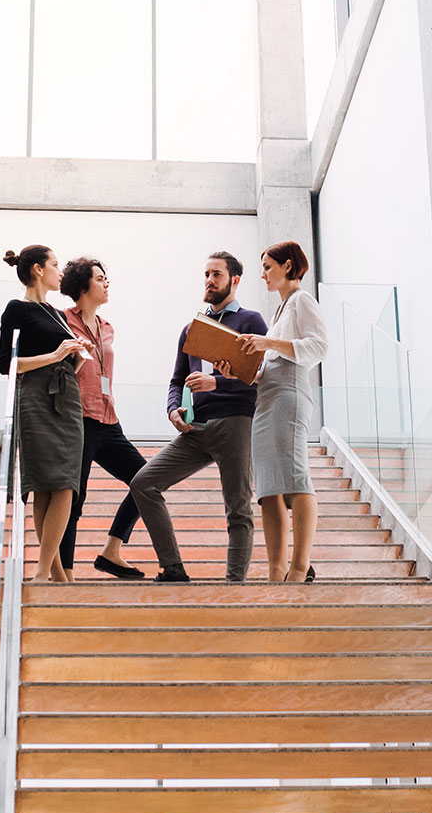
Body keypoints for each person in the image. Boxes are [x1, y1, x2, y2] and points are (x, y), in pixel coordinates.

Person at [129, 252, 269, 583]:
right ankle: (173, 567)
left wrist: (217, 381)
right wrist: (172, 408)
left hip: (236, 421)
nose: (209, 280)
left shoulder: (251, 321)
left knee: (238, 509)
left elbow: (260, 374)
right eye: (206, 274)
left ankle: (234, 585)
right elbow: (177, 380)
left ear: (234, 280)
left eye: (217, 274)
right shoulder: (191, 329)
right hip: (195, 427)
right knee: (143, 484)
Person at [0, 245, 91, 583]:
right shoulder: (16, 308)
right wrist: (55, 355)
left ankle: (51, 573)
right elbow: (6, 364)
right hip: (35, 395)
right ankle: (45, 572)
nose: (59, 271)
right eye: (54, 264)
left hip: (67, 396)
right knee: (44, 485)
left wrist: (77, 354)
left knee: (65, 483)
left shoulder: (57, 313)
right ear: (38, 269)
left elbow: (65, 359)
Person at [239, 240, 328, 583]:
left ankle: (300, 565)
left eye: (267, 267)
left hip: (290, 393)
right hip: (268, 395)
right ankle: (276, 568)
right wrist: (242, 370)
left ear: (287, 266)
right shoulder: (281, 309)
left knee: (295, 475)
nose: (262, 274)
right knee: (269, 486)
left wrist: (267, 343)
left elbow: (319, 347)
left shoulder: (302, 300)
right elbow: (273, 362)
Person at [57, 258, 146, 579]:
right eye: (100, 278)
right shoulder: (61, 320)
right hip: (76, 420)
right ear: (83, 286)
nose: (106, 283)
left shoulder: (107, 327)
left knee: (147, 480)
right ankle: (64, 574)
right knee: (72, 498)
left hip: (108, 420)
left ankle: (111, 551)